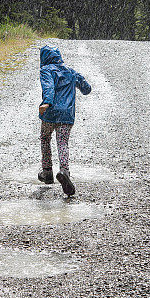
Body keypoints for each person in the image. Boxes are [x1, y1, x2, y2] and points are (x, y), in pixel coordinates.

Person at [37, 45, 91, 196]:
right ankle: (64, 170)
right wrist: (82, 85)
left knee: (45, 138)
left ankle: (47, 171)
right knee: (62, 143)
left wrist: (46, 102)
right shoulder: (70, 71)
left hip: (50, 112)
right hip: (66, 115)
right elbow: (86, 88)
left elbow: (49, 87)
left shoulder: (46, 70)